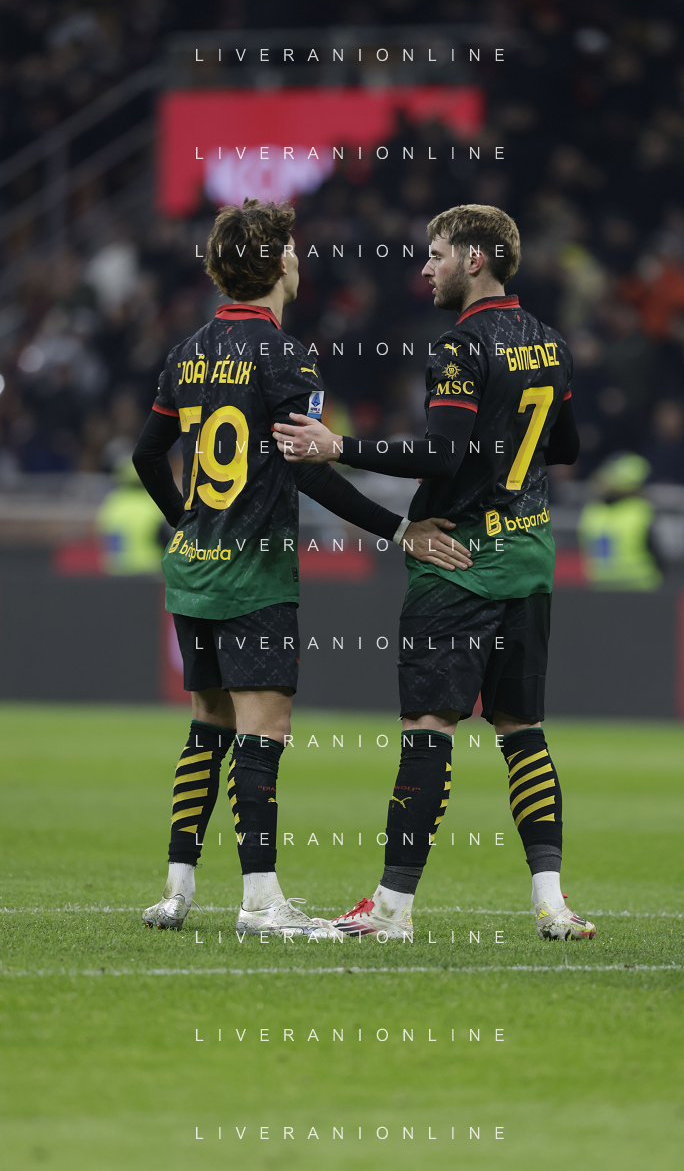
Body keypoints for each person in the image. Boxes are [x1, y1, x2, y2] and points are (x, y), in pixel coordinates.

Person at [132, 198, 472, 939]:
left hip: (193, 569)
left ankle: (177, 890)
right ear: (276, 263)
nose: (296, 255)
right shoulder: (286, 356)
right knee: (264, 730)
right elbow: (308, 467)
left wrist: (187, 520)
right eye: (289, 246)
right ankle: (260, 901)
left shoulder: (187, 351)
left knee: (207, 725)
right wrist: (398, 530)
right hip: (254, 574)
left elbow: (146, 454)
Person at [274, 204, 595, 942]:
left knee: (427, 727)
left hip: (456, 559)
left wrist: (338, 446)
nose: (425, 267)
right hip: (529, 555)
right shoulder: (551, 343)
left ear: (474, 260)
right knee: (523, 731)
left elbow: (442, 455)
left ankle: (392, 908)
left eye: (437, 253)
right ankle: (552, 905)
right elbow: (566, 447)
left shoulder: (460, 346)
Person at [577, 453, 662, 590]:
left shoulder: (591, 512)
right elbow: (658, 554)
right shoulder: (641, 511)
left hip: (600, 586)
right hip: (640, 586)